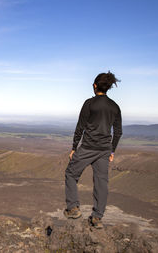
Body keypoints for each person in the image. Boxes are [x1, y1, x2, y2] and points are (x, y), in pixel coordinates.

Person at [63, 71, 122, 229]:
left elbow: (80, 126)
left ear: (95, 86)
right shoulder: (114, 106)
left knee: (70, 173)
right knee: (101, 183)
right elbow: (118, 132)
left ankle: (73, 208)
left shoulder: (89, 103)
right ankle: (97, 218)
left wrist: (74, 147)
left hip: (88, 147)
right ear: (108, 87)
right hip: (104, 150)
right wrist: (112, 151)